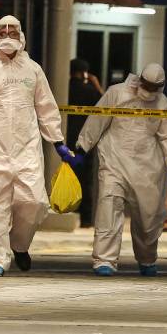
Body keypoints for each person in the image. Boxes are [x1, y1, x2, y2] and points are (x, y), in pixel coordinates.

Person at [0, 15, 76, 276]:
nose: (8, 37)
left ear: (21, 37)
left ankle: (19, 245)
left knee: (34, 202)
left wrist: (57, 141)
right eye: (3, 33)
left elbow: (46, 106)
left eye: (13, 33)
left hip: (27, 147)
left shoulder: (33, 70)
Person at [76, 63, 167, 276]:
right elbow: (97, 120)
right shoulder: (116, 93)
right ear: (139, 80)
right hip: (114, 159)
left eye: (155, 88)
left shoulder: (162, 103)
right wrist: (82, 147)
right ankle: (104, 261)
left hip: (147, 167)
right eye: (147, 86)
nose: (150, 91)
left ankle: (147, 259)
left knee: (147, 219)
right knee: (108, 207)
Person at [68, 58, 104, 228]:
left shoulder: (63, 87)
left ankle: (66, 211)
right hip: (84, 142)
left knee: (65, 177)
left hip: (63, 140)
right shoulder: (89, 91)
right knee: (85, 181)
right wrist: (95, 84)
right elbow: (105, 104)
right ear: (84, 73)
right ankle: (86, 219)